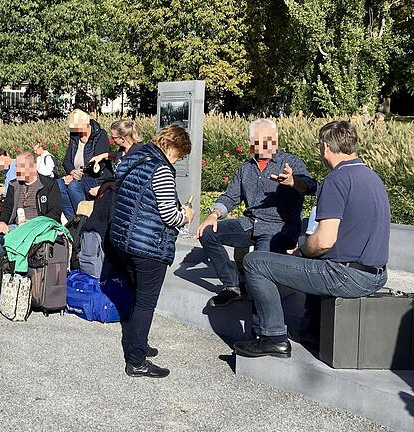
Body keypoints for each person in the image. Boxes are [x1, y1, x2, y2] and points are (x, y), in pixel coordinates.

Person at [233, 121, 390, 359]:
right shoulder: (371, 177)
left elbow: (324, 241)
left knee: (256, 262)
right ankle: (313, 332)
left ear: (325, 147)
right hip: (376, 274)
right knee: (319, 261)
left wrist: (302, 251)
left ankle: (272, 337)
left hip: (347, 276)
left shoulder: (336, 180)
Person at [197, 118, 317, 308]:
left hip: (278, 228)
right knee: (208, 231)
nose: (267, 143)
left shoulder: (291, 162)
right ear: (250, 143)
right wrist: (213, 214)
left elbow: (311, 186)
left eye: (270, 138)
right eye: (261, 140)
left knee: (258, 264)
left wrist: (294, 182)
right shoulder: (246, 169)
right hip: (250, 223)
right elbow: (230, 197)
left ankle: (264, 330)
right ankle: (232, 286)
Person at [109, 125, 195, 378]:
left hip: (124, 240)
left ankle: (138, 342)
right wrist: (186, 215)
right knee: (146, 303)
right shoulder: (162, 170)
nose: (178, 160)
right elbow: (170, 215)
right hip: (149, 245)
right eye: (179, 154)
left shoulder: (135, 157)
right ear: (171, 146)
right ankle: (136, 361)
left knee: (137, 296)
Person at [0, 152, 63, 267]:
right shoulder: (14, 185)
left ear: (33, 167)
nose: (18, 171)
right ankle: (0, 268)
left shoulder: (49, 185)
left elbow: (55, 213)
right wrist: (2, 222)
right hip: (17, 227)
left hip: (38, 228)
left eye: (22, 167)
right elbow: (7, 207)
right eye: (17, 167)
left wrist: (32, 224)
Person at [58, 109, 111, 221]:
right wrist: (72, 171)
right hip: (77, 175)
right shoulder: (75, 137)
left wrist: (80, 175)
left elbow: (99, 165)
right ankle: (73, 220)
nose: (75, 130)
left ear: (85, 124)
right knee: (58, 185)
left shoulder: (100, 135)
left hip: (96, 177)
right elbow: (66, 160)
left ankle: (85, 220)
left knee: (74, 186)